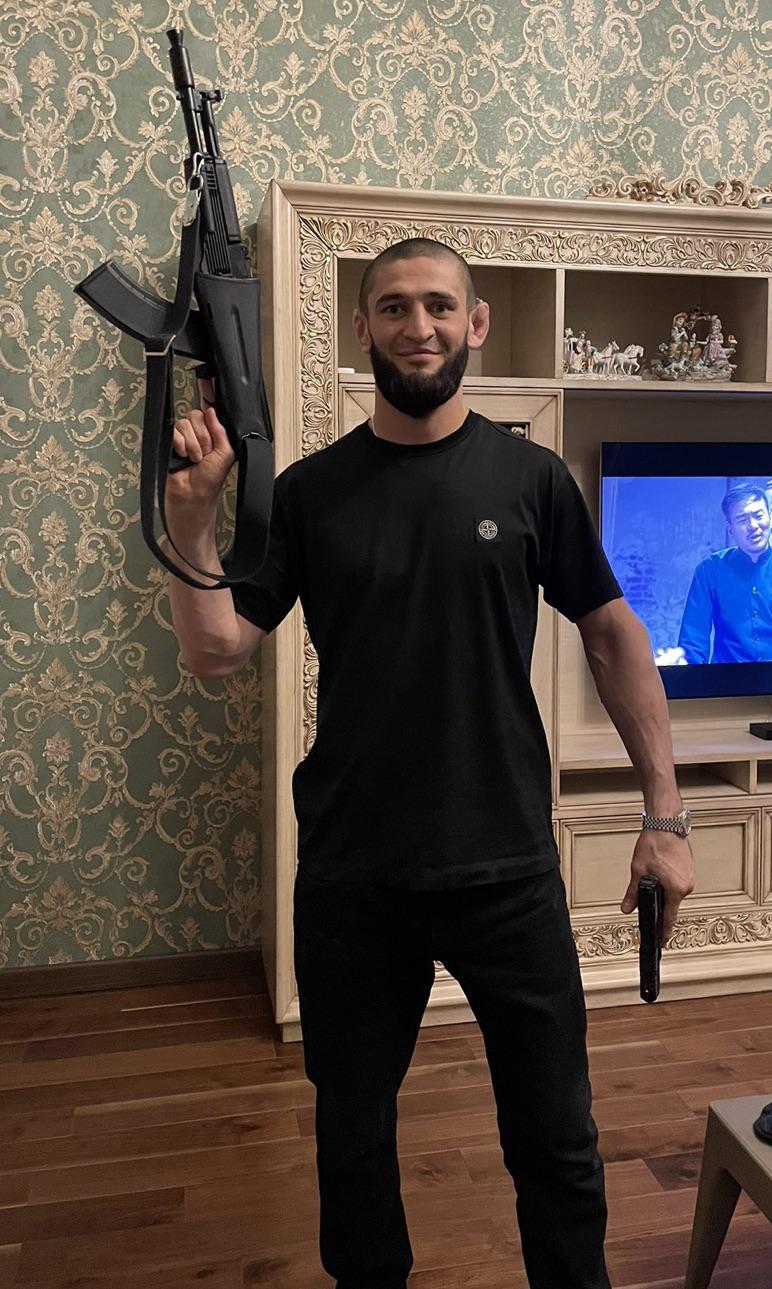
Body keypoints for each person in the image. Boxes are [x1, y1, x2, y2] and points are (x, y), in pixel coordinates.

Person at [165, 238, 695, 1289]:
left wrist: (664, 816)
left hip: (508, 865)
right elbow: (216, 648)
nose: (420, 326)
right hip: (355, 872)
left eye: (441, 306)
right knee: (352, 1140)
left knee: (557, 1140)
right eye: (397, 307)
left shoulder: (530, 478)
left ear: (475, 323)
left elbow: (611, 631)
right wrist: (190, 519)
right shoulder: (310, 493)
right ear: (362, 327)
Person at [678, 483, 772, 664]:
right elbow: (693, 643)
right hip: (727, 678)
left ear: (770, 517)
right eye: (742, 520)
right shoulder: (710, 569)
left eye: (758, 515)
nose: (753, 525)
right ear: (730, 529)